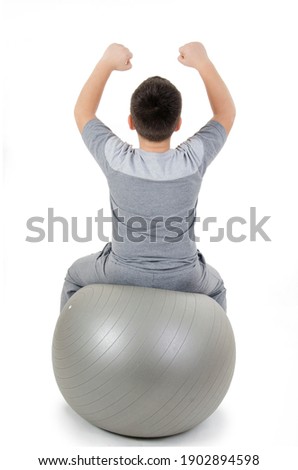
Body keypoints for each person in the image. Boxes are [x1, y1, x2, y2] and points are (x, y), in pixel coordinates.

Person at [60, 42, 236, 312]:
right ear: (178, 124)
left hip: (121, 272)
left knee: (74, 276)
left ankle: (68, 353)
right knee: (216, 288)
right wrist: (203, 62)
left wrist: (107, 61)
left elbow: (83, 112)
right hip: (184, 277)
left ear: (131, 122)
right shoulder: (193, 159)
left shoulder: (116, 158)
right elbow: (225, 113)